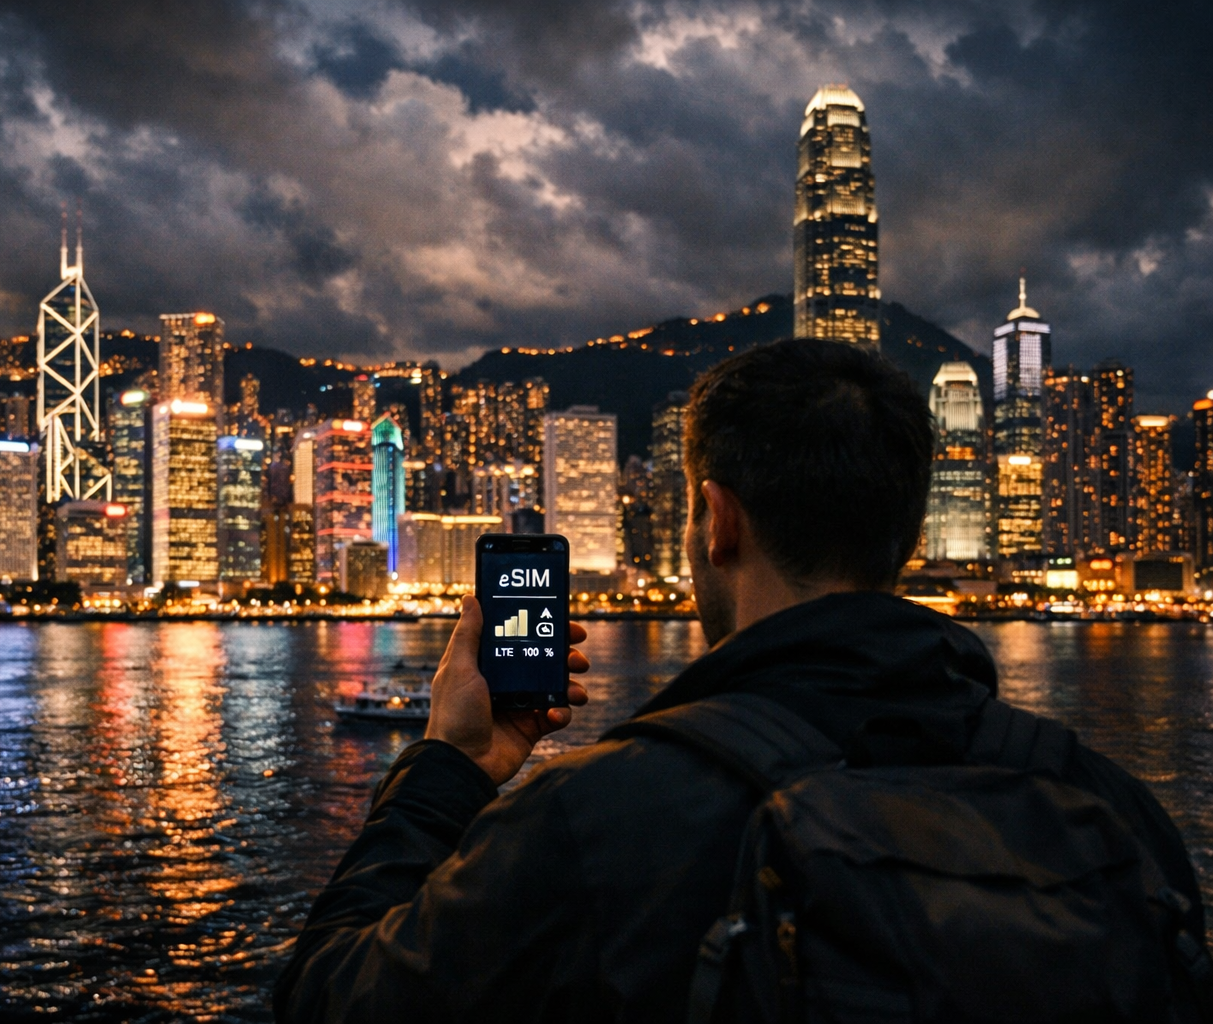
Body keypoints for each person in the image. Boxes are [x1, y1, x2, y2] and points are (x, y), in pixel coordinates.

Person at [274, 338, 1209, 1023]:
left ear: (715, 522)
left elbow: (330, 1000)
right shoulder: (1118, 815)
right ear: (911, 542)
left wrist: (451, 761)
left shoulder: (598, 817)